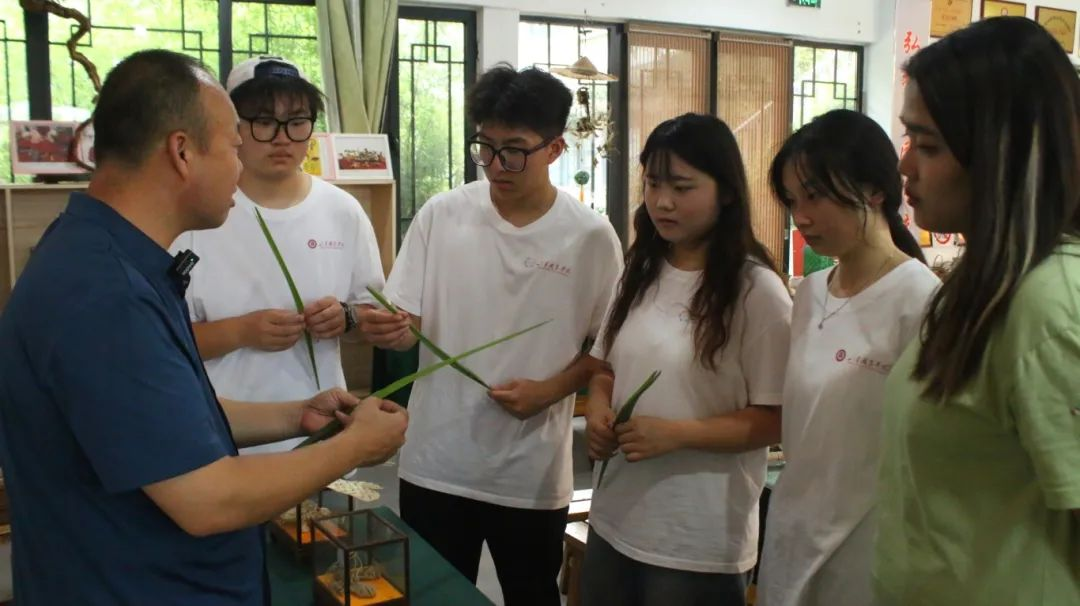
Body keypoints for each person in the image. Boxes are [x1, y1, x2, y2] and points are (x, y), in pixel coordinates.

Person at [0, 50, 407, 605]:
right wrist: (355, 443)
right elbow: (208, 500)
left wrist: (298, 415)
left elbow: (169, 418)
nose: (240, 168)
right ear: (182, 152)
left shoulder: (118, 260)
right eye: (235, 146)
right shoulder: (104, 295)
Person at [358, 64, 623, 605]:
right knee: (434, 596)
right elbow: (408, 328)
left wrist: (550, 391)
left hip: (529, 474)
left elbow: (606, 351)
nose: (498, 164)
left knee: (531, 595)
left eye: (515, 150)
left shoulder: (591, 237)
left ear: (555, 148)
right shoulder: (443, 215)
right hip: (436, 462)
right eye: (487, 146)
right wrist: (391, 330)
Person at [875, 17, 1080, 605]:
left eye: (928, 146)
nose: (905, 167)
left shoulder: (1049, 304)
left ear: (1000, 154)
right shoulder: (983, 281)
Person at [580, 113, 792, 606]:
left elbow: (776, 419)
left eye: (681, 187)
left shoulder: (756, 291)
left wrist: (678, 434)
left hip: (696, 542)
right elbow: (606, 367)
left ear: (727, 193)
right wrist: (598, 409)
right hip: (615, 518)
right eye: (653, 184)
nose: (662, 201)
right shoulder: (640, 269)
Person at [755, 109, 939, 606]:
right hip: (793, 534)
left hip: (866, 549)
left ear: (874, 189)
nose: (802, 217)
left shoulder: (920, 300)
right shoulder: (811, 292)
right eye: (792, 200)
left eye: (815, 195)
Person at [173, 56, 385, 453]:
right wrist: (242, 332)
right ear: (231, 126)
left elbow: (371, 317)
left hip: (321, 438)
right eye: (264, 121)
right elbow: (162, 341)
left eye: (297, 121)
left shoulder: (342, 211)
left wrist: (346, 317)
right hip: (222, 438)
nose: (282, 138)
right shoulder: (195, 215)